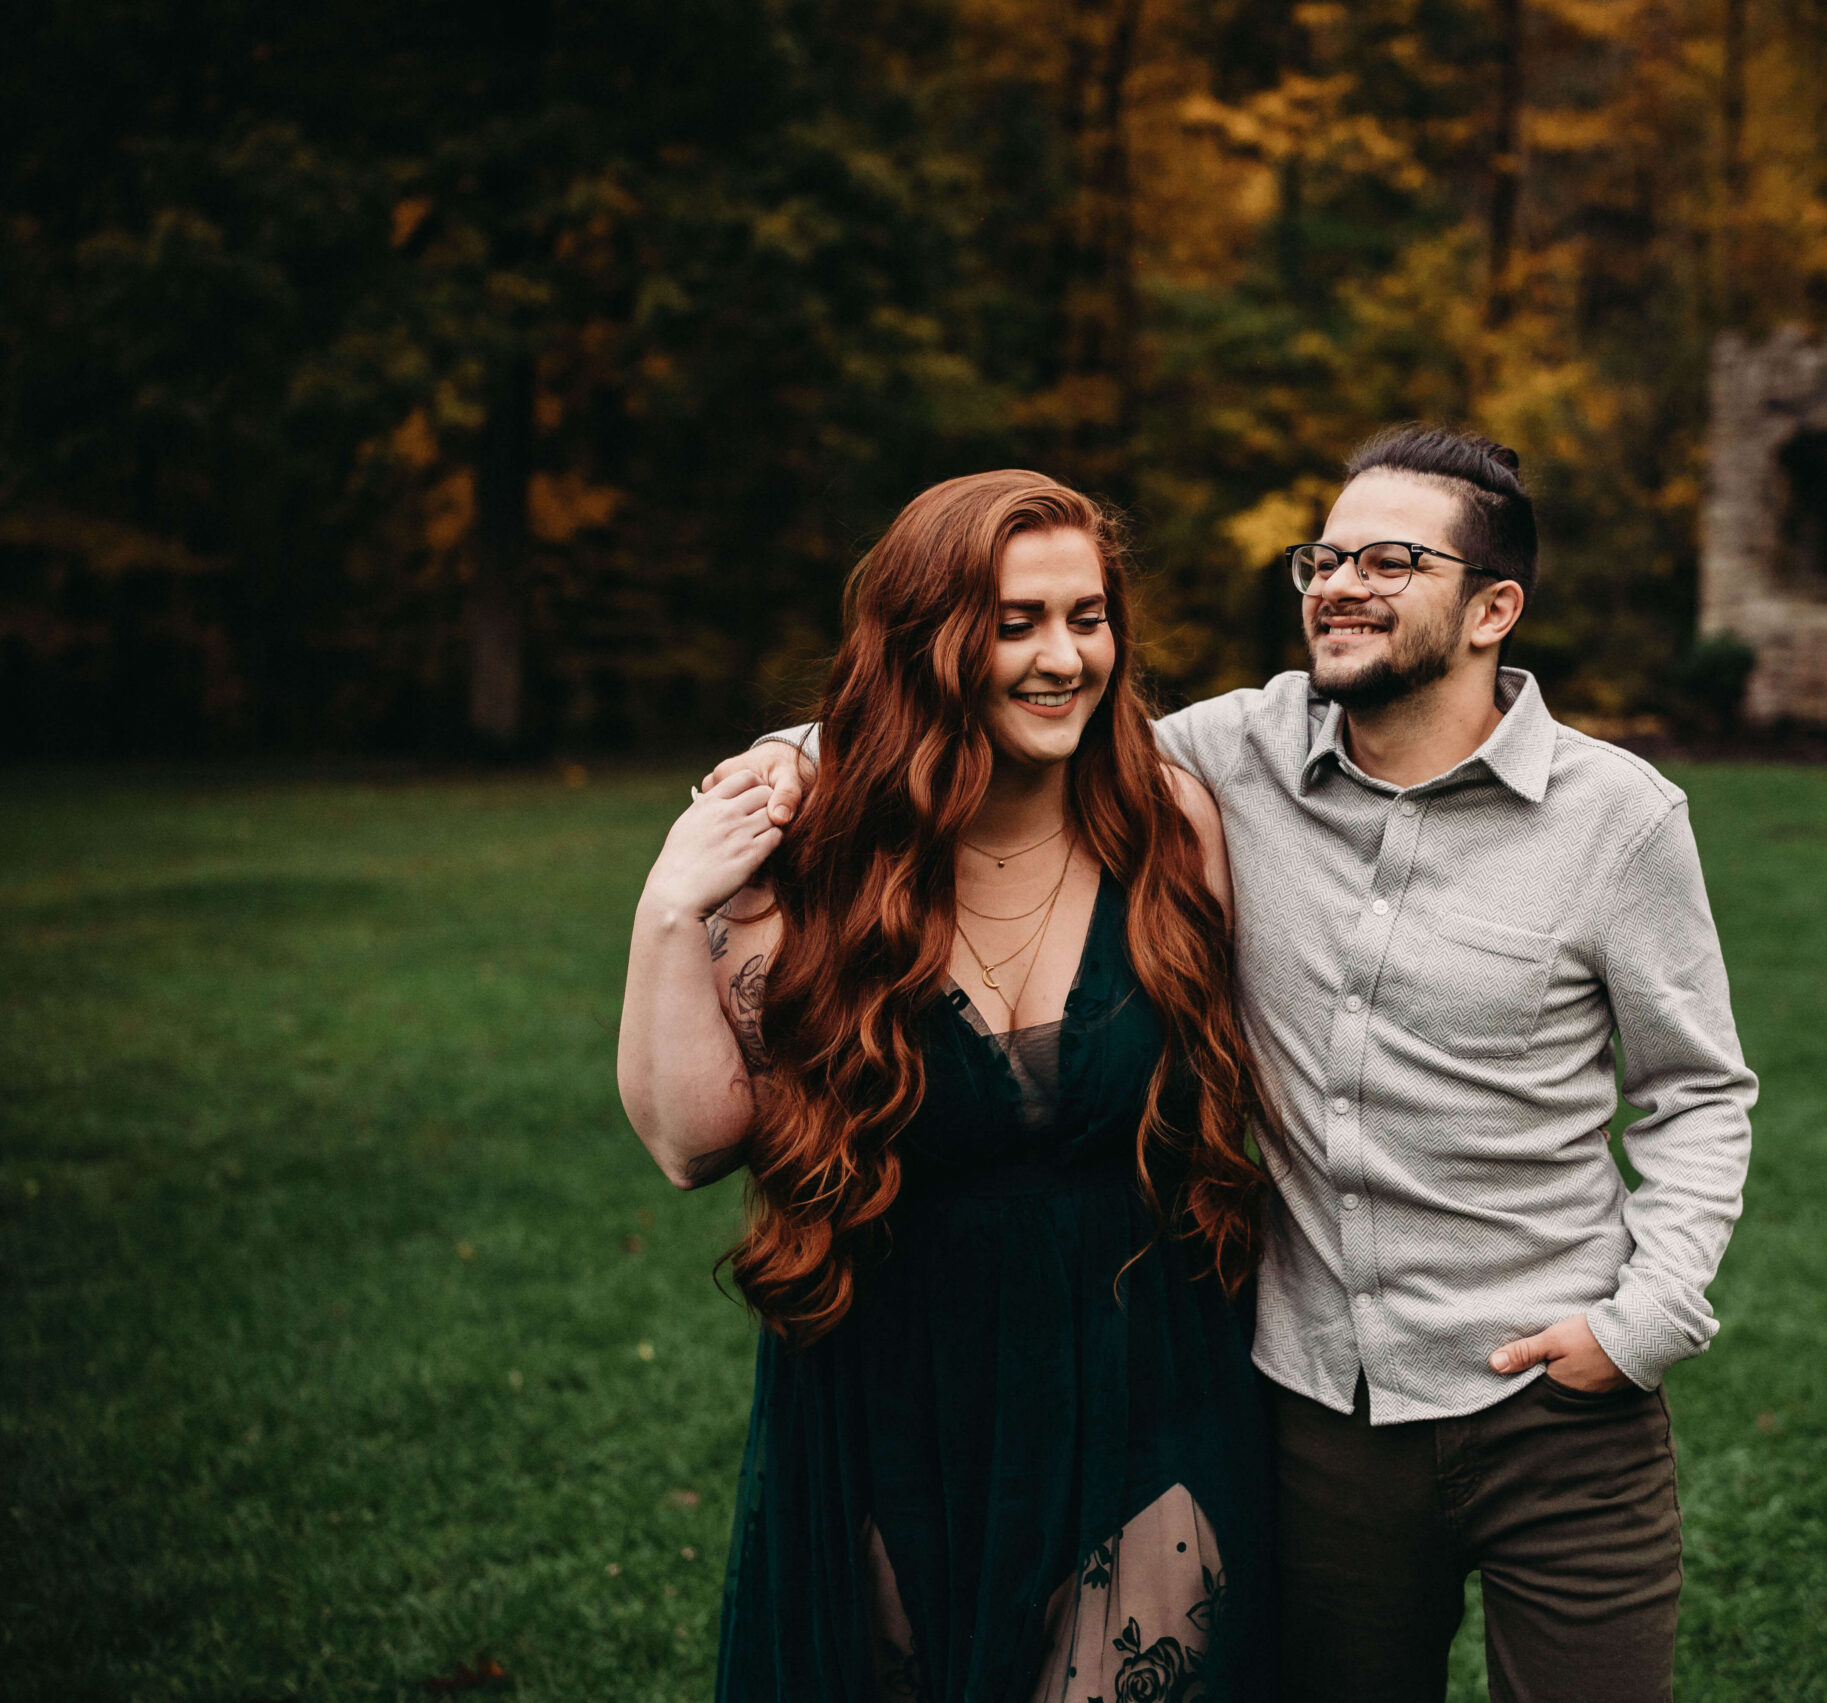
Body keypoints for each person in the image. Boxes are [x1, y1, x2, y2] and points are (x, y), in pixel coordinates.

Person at [718, 426, 1758, 1703]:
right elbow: (999, 695)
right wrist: (792, 755)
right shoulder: (1229, 755)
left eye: (1391, 558)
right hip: (1322, 1411)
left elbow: (1697, 1089)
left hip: (1557, 1400)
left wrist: (1644, 1321)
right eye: (1325, 554)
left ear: (1495, 607)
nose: (1338, 581)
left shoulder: (1619, 819)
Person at [619, 470, 1278, 1702]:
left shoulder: (1170, 826)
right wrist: (670, 906)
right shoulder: (808, 854)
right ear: (930, 642)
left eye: (1086, 617)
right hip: (889, 1387)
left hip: (1140, 1364)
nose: (1061, 657)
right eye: (1014, 621)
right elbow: (690, 1141)